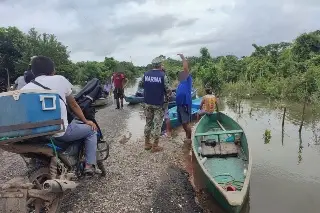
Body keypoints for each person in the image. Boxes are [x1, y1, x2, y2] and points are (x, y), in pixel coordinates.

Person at [21, 56, 98, 176]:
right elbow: (73, 104)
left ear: (33, 72)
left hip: (36, 134)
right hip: (58, 132)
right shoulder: (60, 80)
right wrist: (86, 120)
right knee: (91, 131)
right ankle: (89, 165)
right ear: (52, 70)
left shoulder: (25, 88)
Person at [140, 57, 171, 152]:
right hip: (158, 104)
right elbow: (168, 90)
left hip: (147, 103)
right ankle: (155, 146)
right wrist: (168, 95)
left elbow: (141, 85)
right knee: (157, 124)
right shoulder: (163, 76)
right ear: (160, 65)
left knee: (148, 123)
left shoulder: (145, 74)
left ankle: (146, 143)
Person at [175, 53, 192, 144]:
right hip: (179, 105)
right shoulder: (180, 83)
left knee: (186, 122)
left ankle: (189, 138)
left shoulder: (187, 80)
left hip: (185, 104)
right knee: (182, 122)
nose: (181, 74)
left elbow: (185, 69)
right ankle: (187, 137)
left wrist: (183, 58)